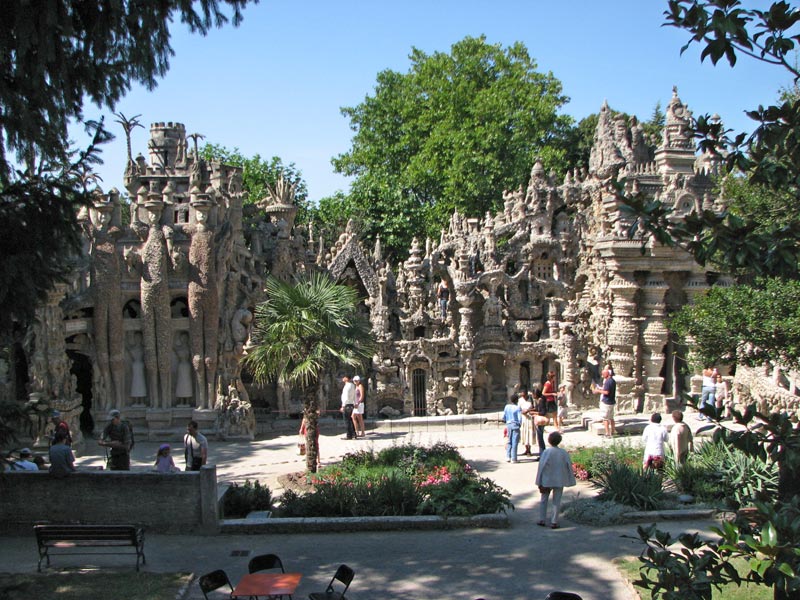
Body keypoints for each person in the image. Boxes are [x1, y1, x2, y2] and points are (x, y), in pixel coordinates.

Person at [535, 431, 577, 529]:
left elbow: (541, 467)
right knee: (556, 501)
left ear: (549, 441)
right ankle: (554, 521)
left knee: (544, 499)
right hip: (559, 479)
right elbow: (569, 466)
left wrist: (538, 481)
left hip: (547, 479)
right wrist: (570, 479)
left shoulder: (546, 452)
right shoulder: (563, 452)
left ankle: (542, 519)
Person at [592, 369, 616, 437]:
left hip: (606, 402)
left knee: (605, 419)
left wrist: (598, 391)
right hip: (612, 401)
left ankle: (607, 433)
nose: (602, 376)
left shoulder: (608, 381)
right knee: (611, 418)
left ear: (607, 374)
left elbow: (606, 392)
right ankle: (613, 432)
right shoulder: (613, 380)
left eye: (603, 374)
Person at [503, 395, 522, 463]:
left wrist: (505, 420)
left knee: (509, 440)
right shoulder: (517, 408)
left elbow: (504, 416)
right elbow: (520, 418)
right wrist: (519, 424)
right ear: (517, 400)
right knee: (515, 442)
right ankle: (514, 458)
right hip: (515, 424)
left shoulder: (507, 407)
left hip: (509, 424)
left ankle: (508, 456)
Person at [532, 387, 548, 458]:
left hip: (540, 421)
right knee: (540, 438)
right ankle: (542, 453)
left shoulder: (541, 400)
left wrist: (535, 413)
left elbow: (542, 412)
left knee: (540, 438)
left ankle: (542, 454)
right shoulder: (539, 400)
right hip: (539, 421)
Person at [518, 389, 534, 456]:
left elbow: (535, 407)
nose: (523, 395)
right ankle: (526, 448)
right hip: (523, 418)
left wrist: (528, 410)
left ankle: (529, 450)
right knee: (524, 433)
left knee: (529, 433)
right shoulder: (520, 400)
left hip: (530, 418)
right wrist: (522, 412)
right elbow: (518, 409)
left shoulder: (531, 399)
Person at [340, 375, 357, 440]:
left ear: (346, 378)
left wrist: (343, 406)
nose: (342, 378)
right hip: (351, 404)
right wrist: (355, 403)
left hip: (347, 405)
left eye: (344, 377)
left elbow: (345, 396)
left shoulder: (347, 386)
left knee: (347, 420)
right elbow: (354, 395)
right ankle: (353, 434)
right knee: (351, 420)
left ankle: (349, 435)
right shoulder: (352, 385)